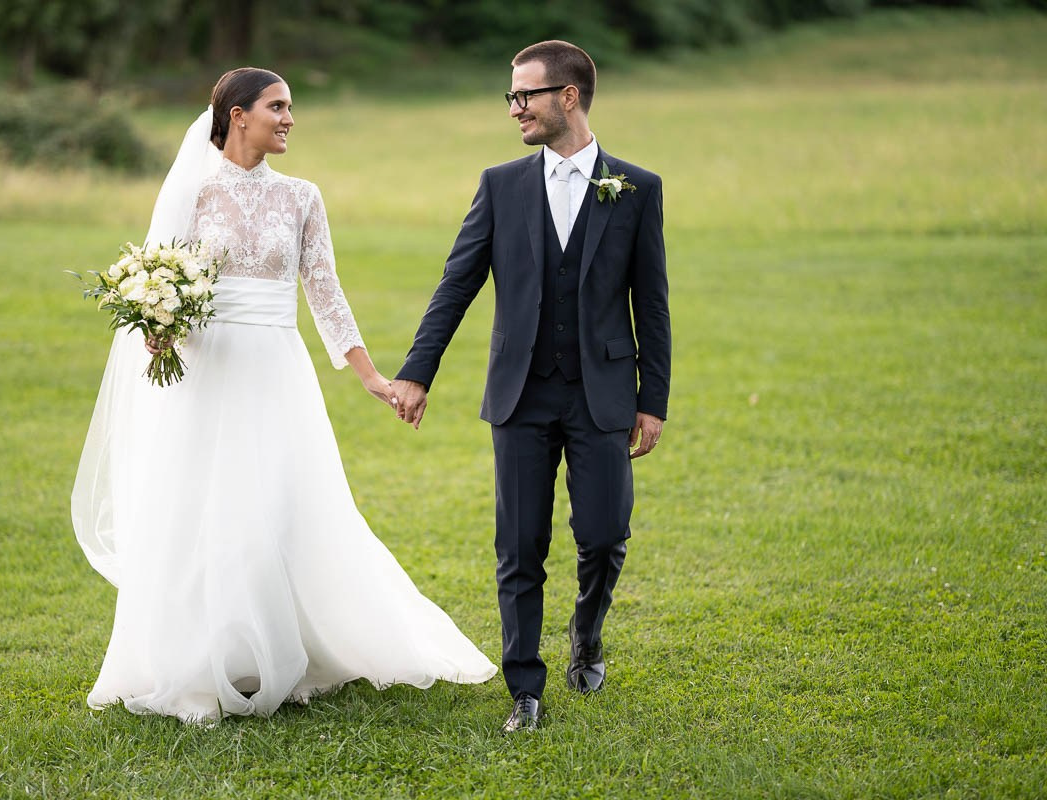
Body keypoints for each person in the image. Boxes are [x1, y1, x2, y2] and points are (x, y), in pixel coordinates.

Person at [71, 67, 495, 724]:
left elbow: (324, 292)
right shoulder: (195, 192)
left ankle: (279, 648)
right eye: (278, 106)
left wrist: (371, 376)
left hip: (277, 371)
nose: (290, 118)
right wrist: (157, 331)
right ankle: (198, 662)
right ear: (238, 115)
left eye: (291, 107)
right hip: (207, 372)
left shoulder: (301, 197)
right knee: (204, 509)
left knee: (277, 505)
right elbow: (161, 279)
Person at [391, 40, 670, 733]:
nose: (514, 107)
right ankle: (525, 689)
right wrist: (418, 371)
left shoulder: (637, 189)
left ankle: (587, 631)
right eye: (511, 96)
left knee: (605, 536)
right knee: (519, 544)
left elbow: (652, 302)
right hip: (519, 393)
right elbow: (457, 282)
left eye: (526, 95)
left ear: (567, 98)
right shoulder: (501, 185)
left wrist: (652, 399)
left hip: (602, 392)